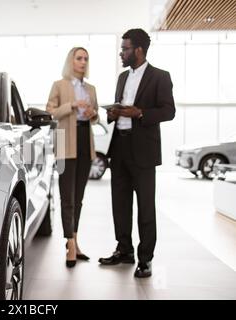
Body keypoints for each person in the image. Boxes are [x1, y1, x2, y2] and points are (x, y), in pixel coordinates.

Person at [98, 29, 175, 277]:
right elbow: (118, 107)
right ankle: (124, 250)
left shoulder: (160, 77)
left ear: (138, 50)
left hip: (143, 150)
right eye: (122, 48)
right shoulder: (122, 77)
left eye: (125, 48)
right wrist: (113, 114)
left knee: (145, 207)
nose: (121, 53)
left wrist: (140, 112)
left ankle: (145, 259)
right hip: (119, 148)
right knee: (119, 204)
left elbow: (168, 111)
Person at [46, 47, 99, 268]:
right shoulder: (59, 85)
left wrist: (91, 114)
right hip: (65, 142)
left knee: (79, 197)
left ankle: (75, 242)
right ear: (71, 61)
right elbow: (50, 111)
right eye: (79, 58)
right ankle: (69, 244)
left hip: (85, 141)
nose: (83, 62)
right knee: (67, 197)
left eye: (86, 58)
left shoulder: (91, 88)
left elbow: (95, 117)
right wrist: (73, 105)